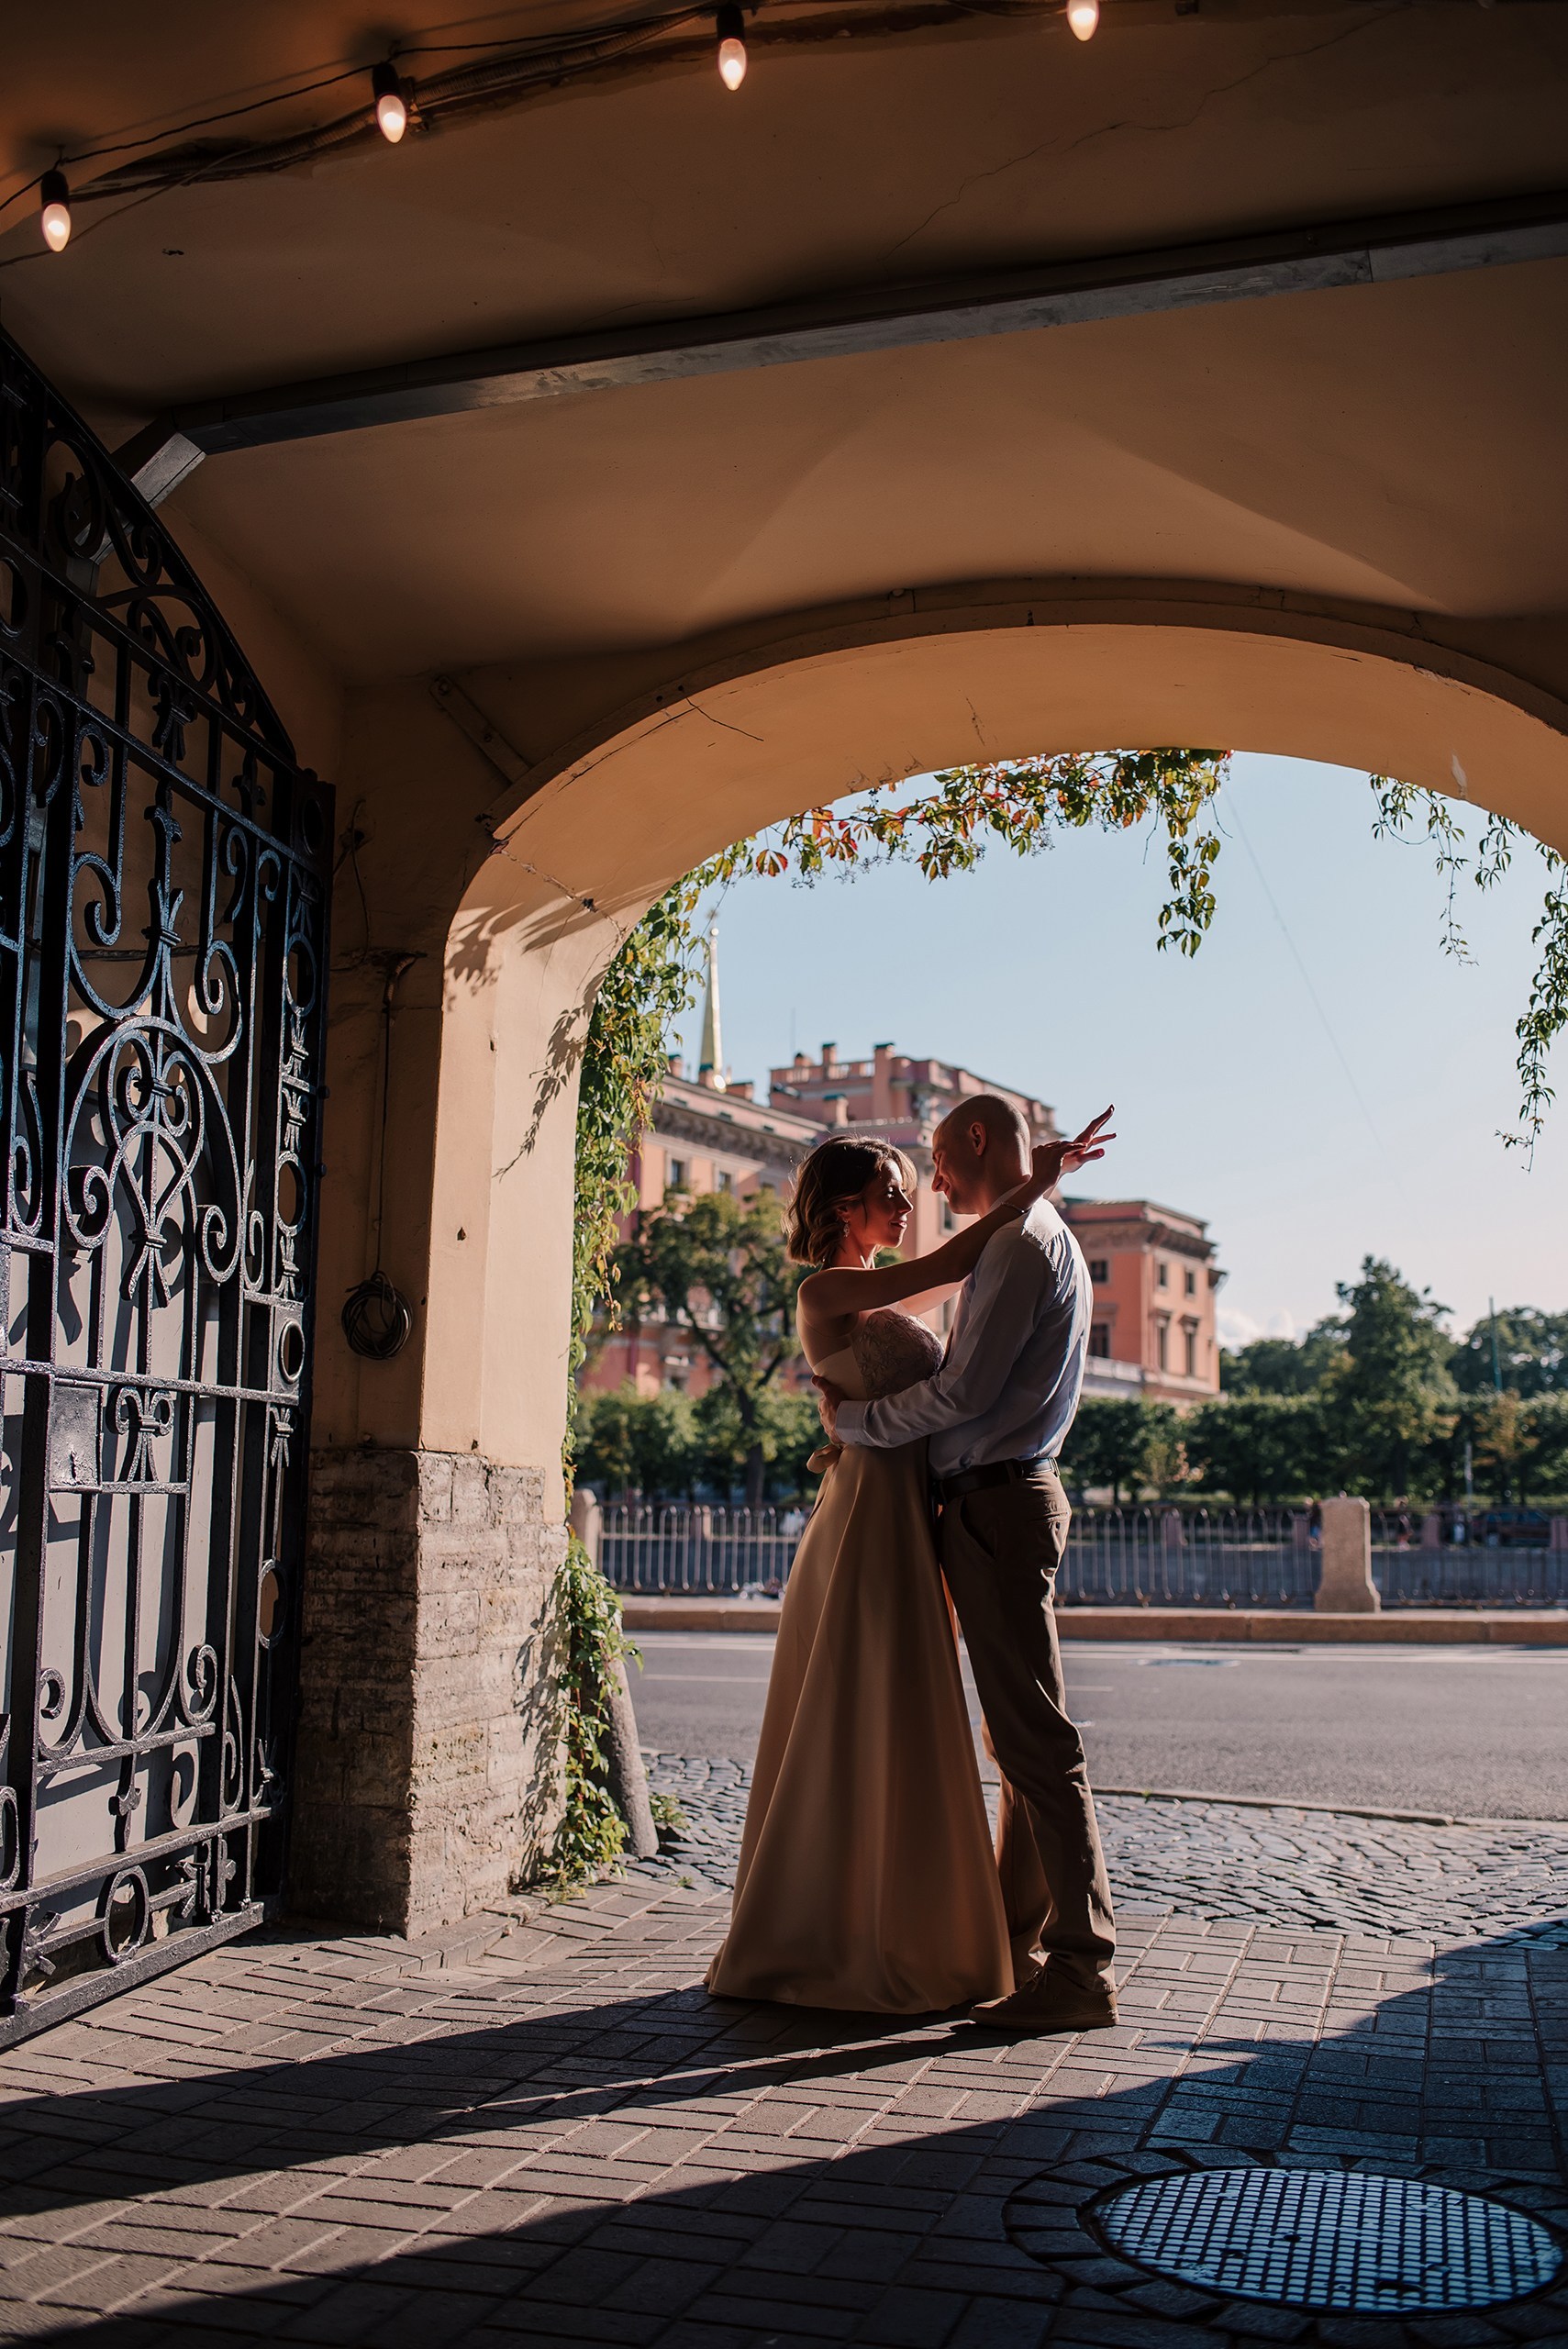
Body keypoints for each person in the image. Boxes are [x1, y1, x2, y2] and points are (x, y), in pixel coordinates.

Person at [706, 1106, 1112, 2015]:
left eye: (917, 1176)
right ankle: (893, 1928)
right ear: (843, 1208)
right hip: (872, 1517)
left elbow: (953, 1353)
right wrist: (1037, 1181)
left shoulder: (904, 1284)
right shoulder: (826, 1292)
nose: (913, 1199)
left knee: (956, 1729)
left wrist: (848, 1423)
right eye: (891, 1192)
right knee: (876, 1719)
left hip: (922, 1507)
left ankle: (981, 1935)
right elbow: (950, 1273)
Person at [816, 1095, 1118, 2036]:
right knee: (1019, 1740)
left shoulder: (1020, 1245)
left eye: (937, 1164)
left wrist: (854, 1425)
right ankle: (1013, 1940)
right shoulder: (1019, 1235)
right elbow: (945, 1305)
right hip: (987, 1503)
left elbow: (963, 1389)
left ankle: (1076, 1967)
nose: (930, 1185)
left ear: (975, 1140)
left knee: (1032, 1741)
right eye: (900, 1186)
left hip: (994, 1504)